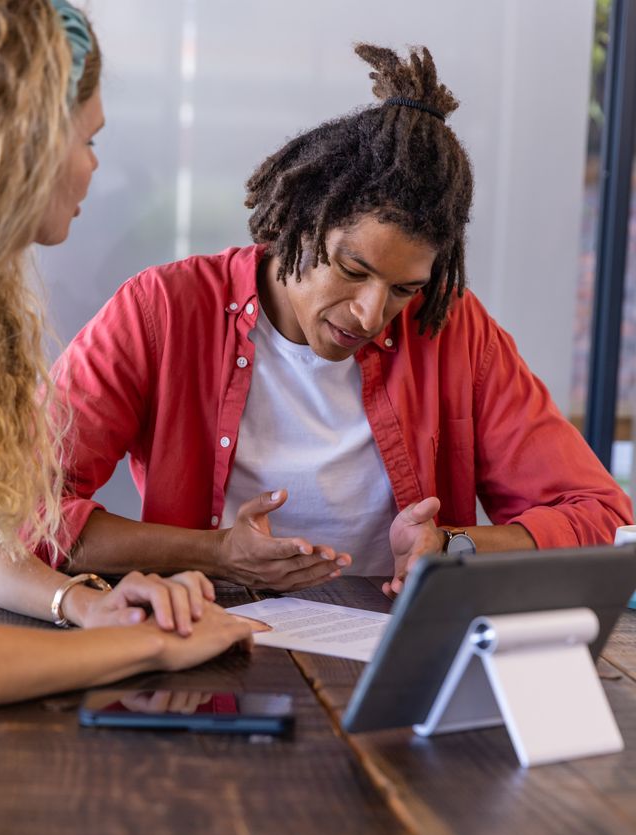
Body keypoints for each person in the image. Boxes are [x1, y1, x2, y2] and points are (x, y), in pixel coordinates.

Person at [0, 0, 252, 835]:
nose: (96, 165)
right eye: (89, 138)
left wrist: (82, 605)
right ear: (24, 140)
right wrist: (157, 652)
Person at [40, 42, 632, 596]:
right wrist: (216, 553)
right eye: (353, 269)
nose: (373, 314)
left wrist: (454, 546)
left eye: (404, 288)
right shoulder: (163, 312)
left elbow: (603, 517)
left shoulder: (452, 331)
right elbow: (17, 509)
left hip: (390, 673)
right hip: (202, 655)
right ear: (296, 224)